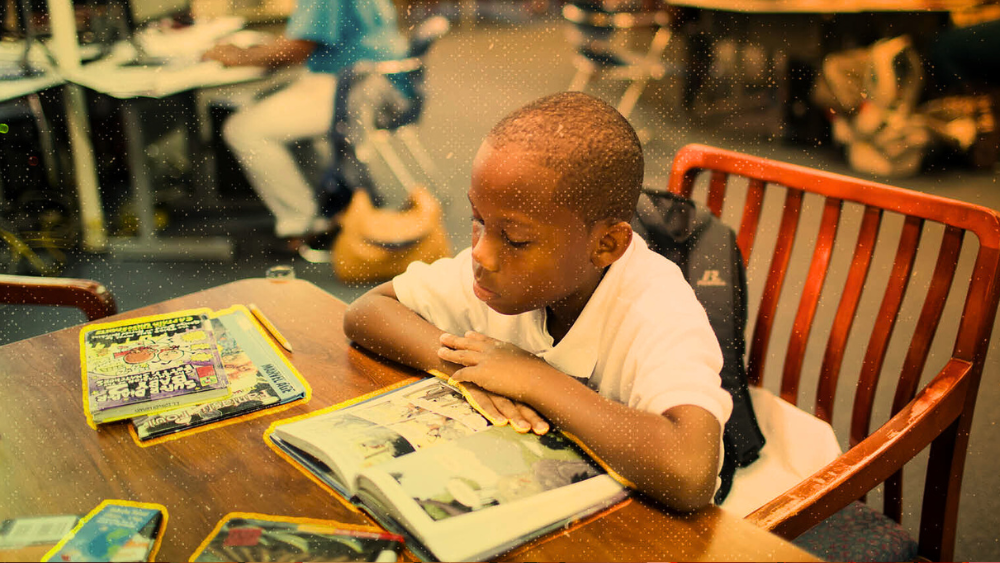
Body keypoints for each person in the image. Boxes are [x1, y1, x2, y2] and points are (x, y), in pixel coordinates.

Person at [343, 92, 733, 511]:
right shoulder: (498, 270)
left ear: (605, 245)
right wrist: (467, 367)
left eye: (515, 239)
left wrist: (533, 378)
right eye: (477, 220)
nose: (480, 253)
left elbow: (691, 472)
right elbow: (366, 312)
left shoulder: (658, 309)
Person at [202, 0, 407, 251]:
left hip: (355, 88)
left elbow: (295, 50)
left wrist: (238, 55)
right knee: (273, 108)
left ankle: (306, 224)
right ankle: (328, 206)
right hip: (383, 82)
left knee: (244, 130)